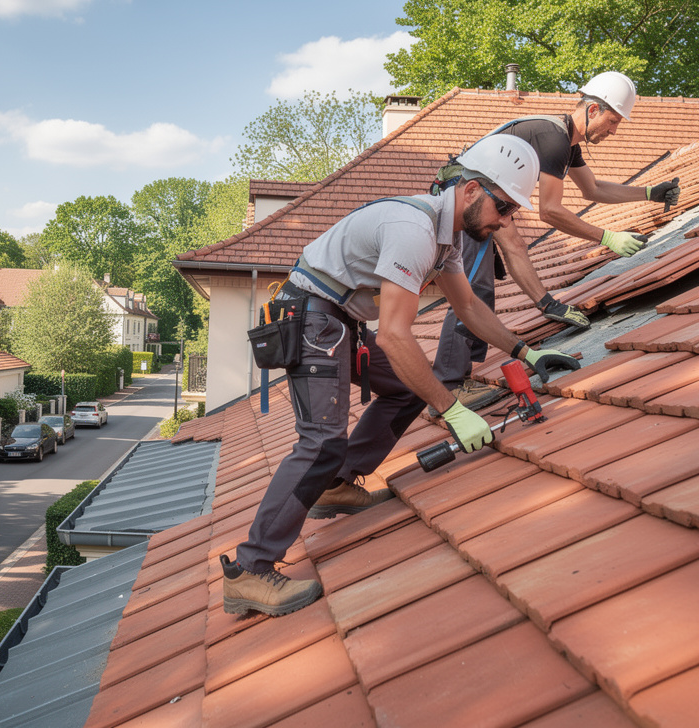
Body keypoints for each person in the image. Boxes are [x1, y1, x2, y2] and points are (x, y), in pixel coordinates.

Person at [221, 135, 581, 617]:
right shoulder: (413, 229)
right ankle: (250, 568)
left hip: (335, 319)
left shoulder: (444, 237)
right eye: (503, 207)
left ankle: (336, 483)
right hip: (310, 318)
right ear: (472, 191)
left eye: (512, 212)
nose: (505, 222)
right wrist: (451, 409)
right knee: (321, 441)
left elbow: (467, 305)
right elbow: (393, 335)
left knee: (410, 387)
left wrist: (526, 351)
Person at [431, 71, 682, 409]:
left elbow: (592, 189)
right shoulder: (554, 138)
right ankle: (448, 388)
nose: (614, 130)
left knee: (503, 259)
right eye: (613, 120)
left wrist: (649, 192)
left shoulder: (564, 139)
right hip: (469, 198)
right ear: (593, 110)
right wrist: (607, 237)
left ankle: (460, 376)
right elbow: (549, 211)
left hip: (484, 196)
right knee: (474, 287)